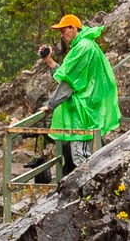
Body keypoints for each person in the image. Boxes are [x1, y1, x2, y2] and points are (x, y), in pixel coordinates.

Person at [46, 14, 119, 179]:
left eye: (63, 30)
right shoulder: (85, 44)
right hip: (87, 108)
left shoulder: (83, 48)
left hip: (84, 111)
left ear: (73, 28)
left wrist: (50, 105)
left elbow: (69, 83)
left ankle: (90, 190)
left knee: (83, 158)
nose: (61, 35)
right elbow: (69, 75)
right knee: (86, 155)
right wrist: (49, 61)